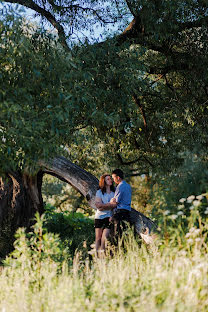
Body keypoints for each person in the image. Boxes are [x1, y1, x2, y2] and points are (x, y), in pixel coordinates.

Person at [96, 169, 132, 241]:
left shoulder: (120, 187)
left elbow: (115, 202)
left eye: (113, 178)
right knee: (124, 234)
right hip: (127, 212)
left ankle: (116, 250)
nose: (113, 180)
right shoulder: (128, 186)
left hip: (120, 213)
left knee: (117, 235)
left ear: (118, 178)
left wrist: (102, 206)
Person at [94, 174, 115, 255]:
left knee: (104, 238)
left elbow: (114, 205)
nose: (110, 180)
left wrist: (103, 205)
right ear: (104, 181)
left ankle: (102, 257)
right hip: (99, 217)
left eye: (110, 179)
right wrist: (110, 204)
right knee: (98, 238)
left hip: (109, 217)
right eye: (108, 179)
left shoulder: (114, 192)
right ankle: (96, 257)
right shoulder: (99, 192)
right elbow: (99, 207)